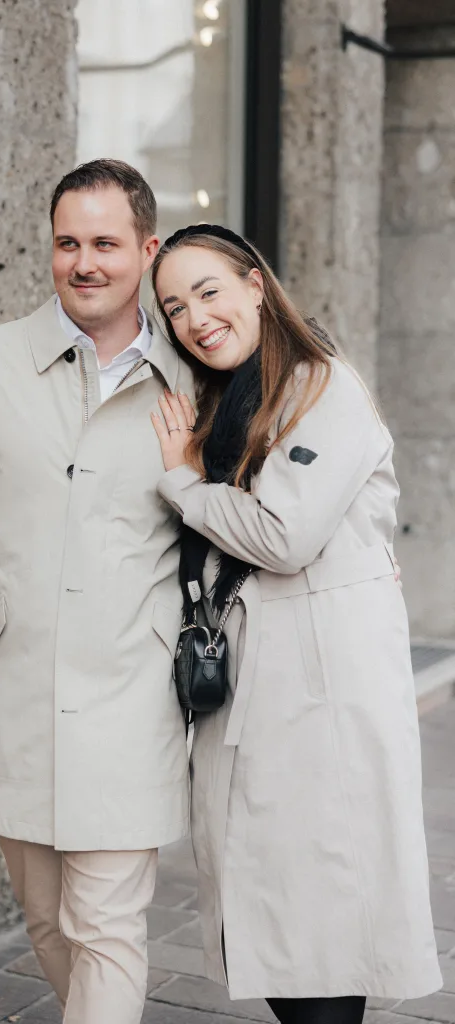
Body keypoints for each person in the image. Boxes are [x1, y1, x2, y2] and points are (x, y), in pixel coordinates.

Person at [0, 160, 195, 1024]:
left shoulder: (190, 380)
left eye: (104, 243)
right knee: (50, 921)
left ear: (146, 250)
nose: (83, 262)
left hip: (134, 693)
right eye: (66, 243)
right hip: (12, 690)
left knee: (106, 927)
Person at [150, 224, 442, 1024]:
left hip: (320, 703)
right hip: (264, 693)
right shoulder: (238, 395)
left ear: (254, 283)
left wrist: (180, 479)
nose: (194, 318)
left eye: (207, 291)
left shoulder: (319, 385)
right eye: (173, 307)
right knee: (277, 920)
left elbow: (283, 535)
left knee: (319, 927)